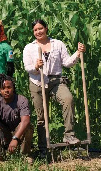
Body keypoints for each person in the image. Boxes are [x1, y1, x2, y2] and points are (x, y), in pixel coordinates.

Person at [23, 19, 86, 157]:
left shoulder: (58, 44)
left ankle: (69, 135)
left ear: (46, 28)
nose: (38, 32)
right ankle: (43, 148)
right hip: (37, 82)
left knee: (68, 99)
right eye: (35, 30)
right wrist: (36, 67)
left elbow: (67, 63)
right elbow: (27, 68)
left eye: (40, 28)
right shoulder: (29, 47)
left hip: (56, 81)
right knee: (41, 117)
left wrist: (78, 53)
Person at [0, 74, 33, 161]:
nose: (6, 90)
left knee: (29, 126)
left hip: (18, 134)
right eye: (3, 88)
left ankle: (25, 155)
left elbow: (26, 120)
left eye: (9, 87)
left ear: (13, 88)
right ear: (0, 90)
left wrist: (15, 138)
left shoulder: (21, 100)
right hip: (4, 134)